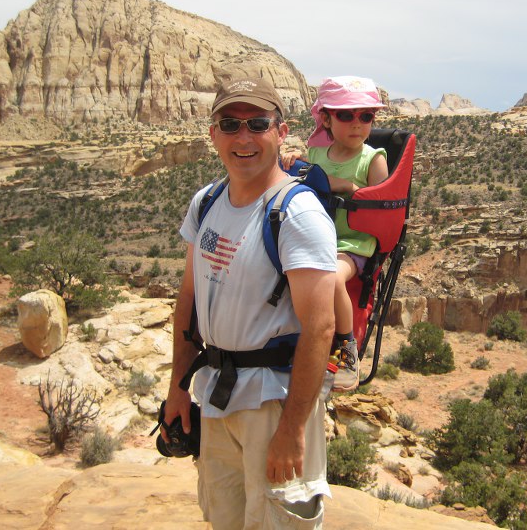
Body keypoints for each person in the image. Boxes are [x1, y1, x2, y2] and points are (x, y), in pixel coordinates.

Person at [163, 77, 338, 529]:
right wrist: (178, 386)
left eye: (257, 123)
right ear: (213, 134)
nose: (243, 137)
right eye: (230, 124)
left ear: (281, 132)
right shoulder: (206, 203)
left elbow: (319, 327)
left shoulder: (296, 214)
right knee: (223, 518)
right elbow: (188, 299)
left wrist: (293, 429)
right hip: (217, 397)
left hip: (273, 403)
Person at [282, 76, 388, 391]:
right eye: (346, 115)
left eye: (366, 116)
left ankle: (346, 348)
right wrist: (292, 160)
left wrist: (347, 187)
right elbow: (300, 176)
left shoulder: (373, 159)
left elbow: (381, 207)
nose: (357, 123)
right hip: (317, 238)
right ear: (326, 118)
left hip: (353, 244)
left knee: (329, 275)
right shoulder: (316, 157)